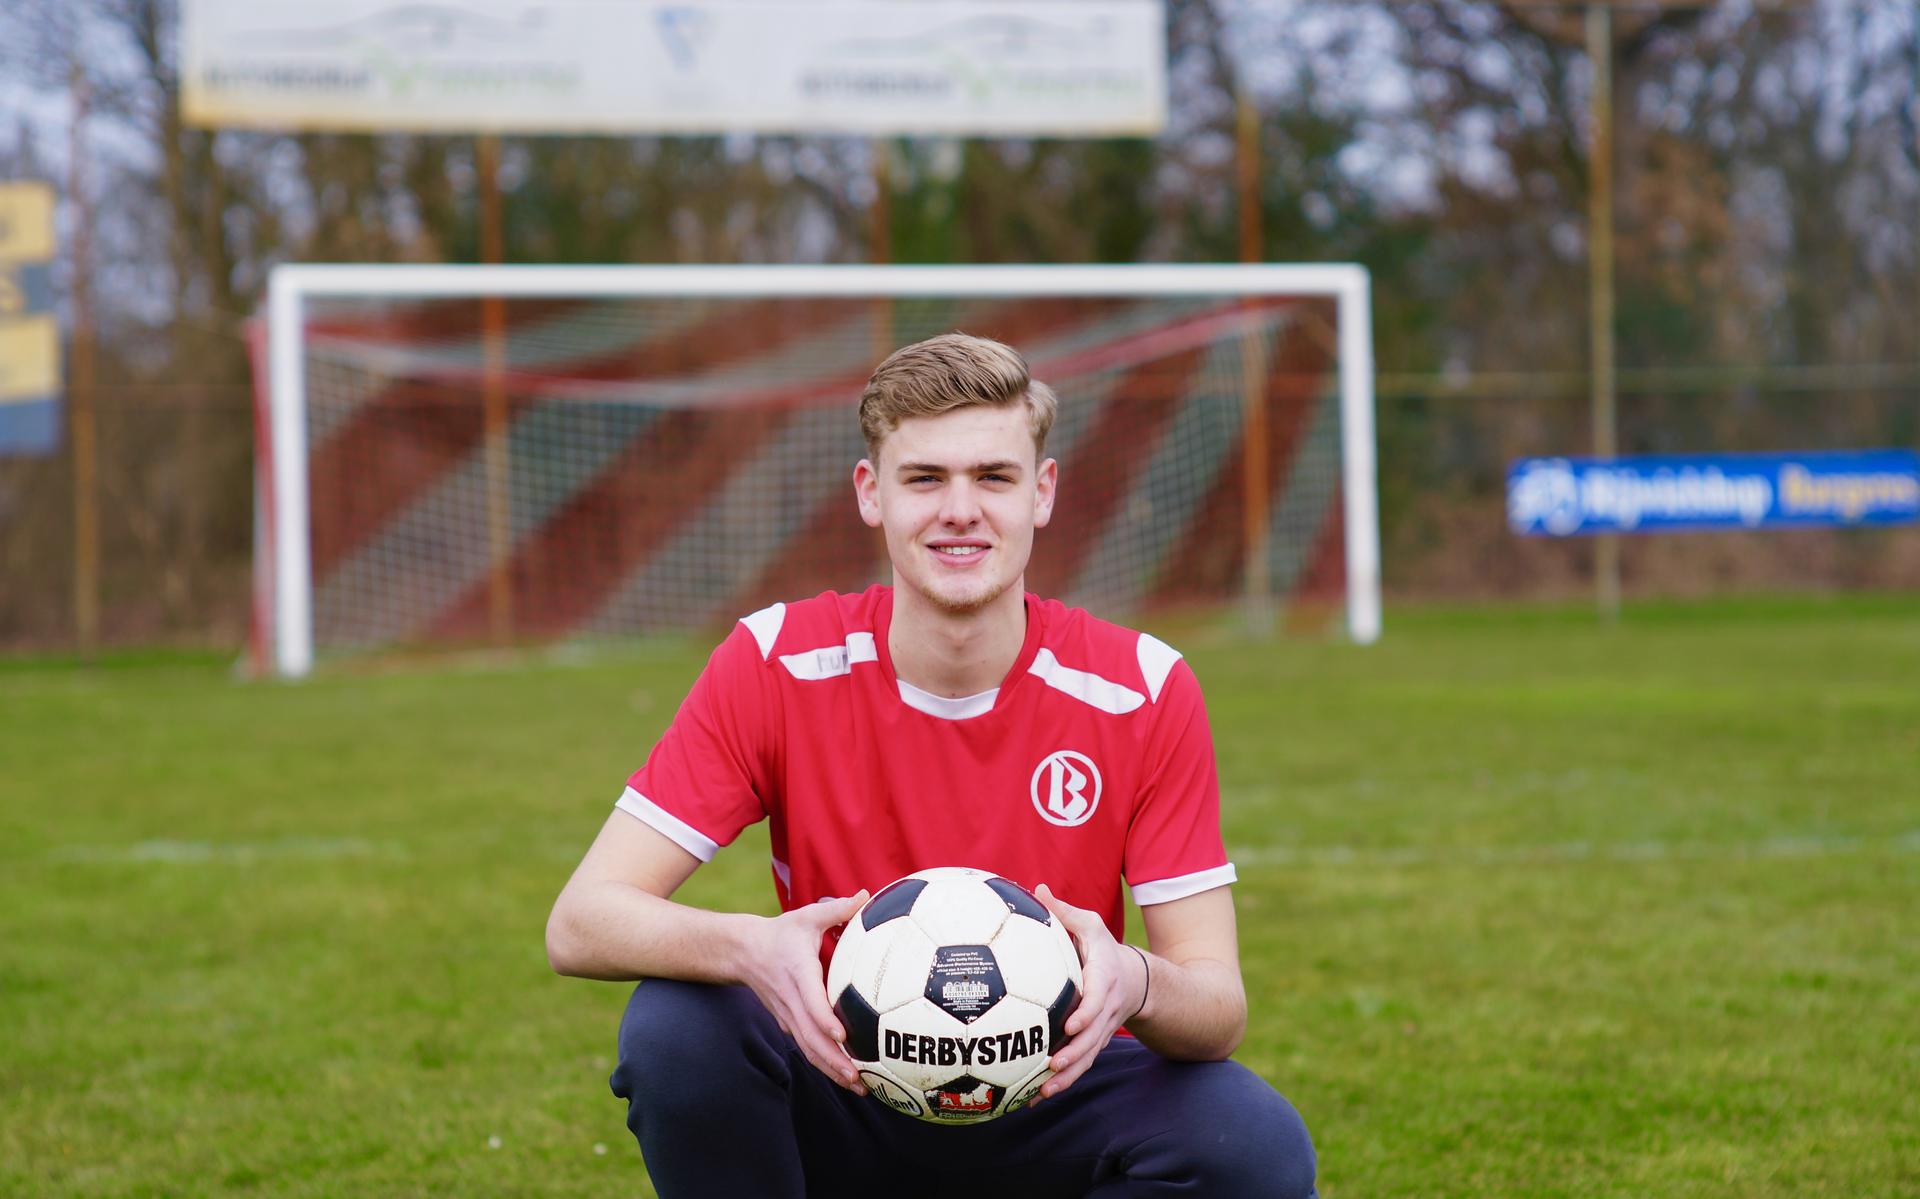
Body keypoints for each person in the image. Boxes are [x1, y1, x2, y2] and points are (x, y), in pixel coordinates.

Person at [546, 333, 1317, 1198]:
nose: (961, 510)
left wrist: (1131, 979)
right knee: (680, 1026)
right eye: (925, 479)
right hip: (843, 1075)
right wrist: (753, 946)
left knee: (1250, 1144)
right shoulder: (777, 662)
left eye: (993, 476)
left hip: (1055, 1088)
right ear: (871, 495)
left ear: (1043, 492)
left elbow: (1217, 1004)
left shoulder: (1141, 688)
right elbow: (581, 920)